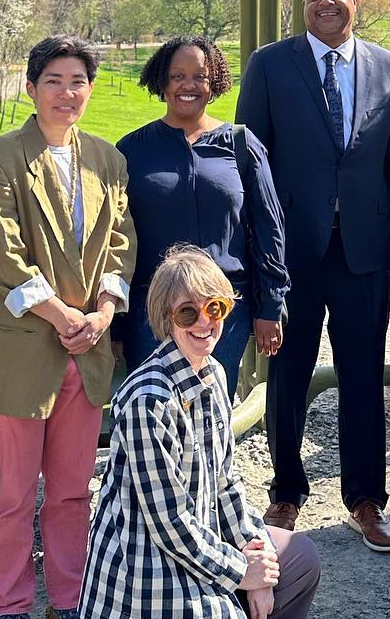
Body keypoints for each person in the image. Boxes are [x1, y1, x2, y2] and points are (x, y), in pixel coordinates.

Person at [72, 245, 322, 619]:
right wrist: (242, 573)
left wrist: (258, 559)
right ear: (167, 318)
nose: (204, 322)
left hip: (191, 556)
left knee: (301, 558)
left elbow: (226, 484)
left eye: (216, 308)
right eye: (189, 311)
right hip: (147, 572)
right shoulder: (147, 400)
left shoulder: (213, 375)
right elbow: (170, 527)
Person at [0, 35, 136, 619]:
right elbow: (2, 254)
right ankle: (8, 613)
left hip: (86, 353)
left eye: (79, 82)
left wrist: (104, 313)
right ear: (32, 86)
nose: (68, 93)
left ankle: (70, 600)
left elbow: (121, 244)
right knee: (11, 492)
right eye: (55, 81)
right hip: (18, 352)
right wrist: (65, 314)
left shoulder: (108, 161)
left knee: (71, 491)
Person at [236, 0, 390, 552]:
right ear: (302, 6)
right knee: (288, 372)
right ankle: (285, 491)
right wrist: (261, 251)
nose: (326, 3)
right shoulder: (269, 65)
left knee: (362, 375)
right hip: (291, 250)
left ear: (355, 1)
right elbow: (250, 163)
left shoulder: (389, 67)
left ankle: (366, 499)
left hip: (364, 249)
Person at [117, 35, 289, 397]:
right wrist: (117, 322)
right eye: (178, 75)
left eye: (200, 76)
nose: (189, 85)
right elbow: (114, 238)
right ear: (162, 81)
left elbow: (270, 229)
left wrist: (270, 306)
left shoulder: (242, 145)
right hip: (152, 309)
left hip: (223, 309)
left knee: (211, 414)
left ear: (216, 84)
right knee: (152, 410)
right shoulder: (132, 150)